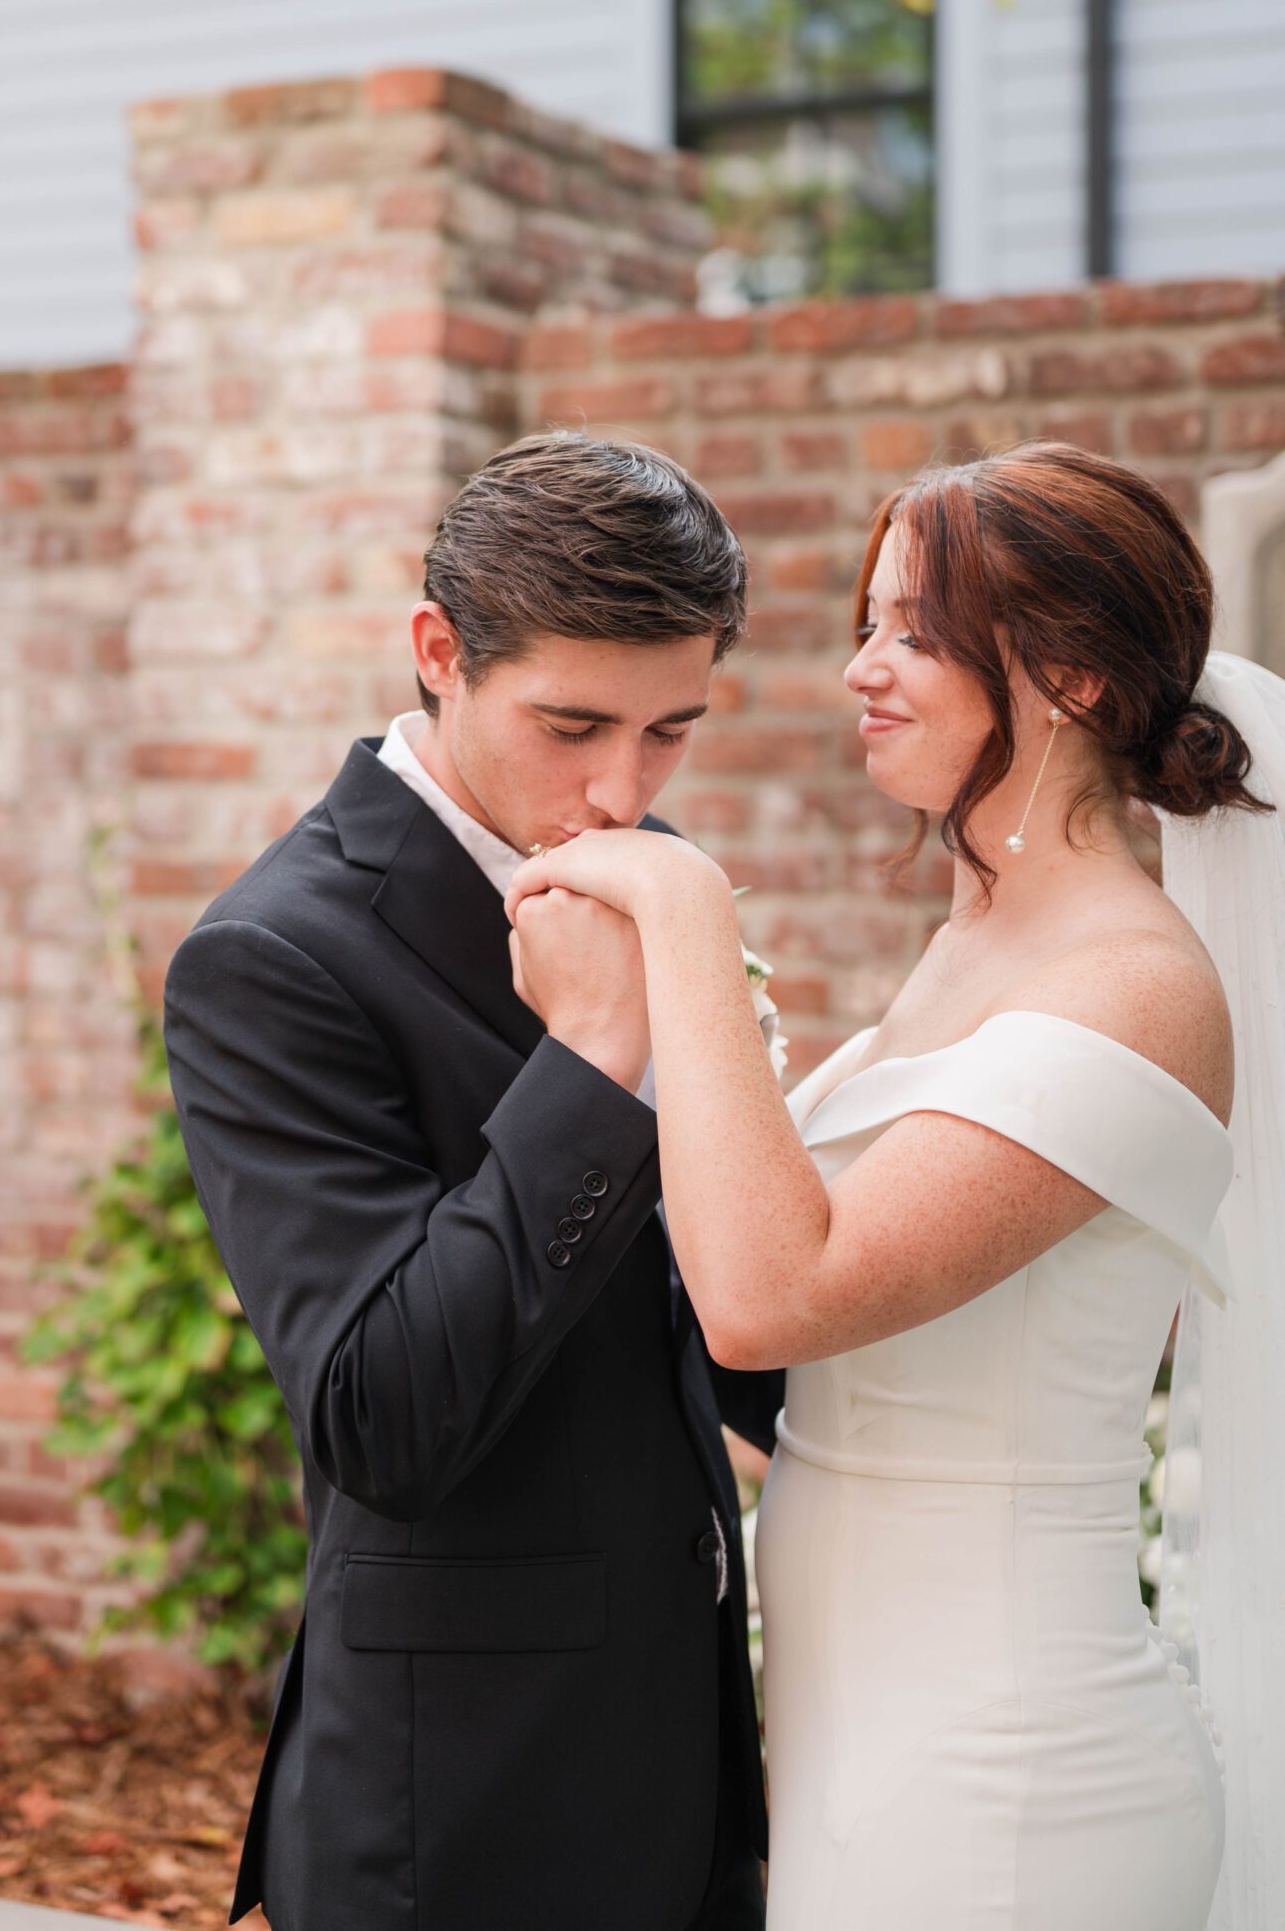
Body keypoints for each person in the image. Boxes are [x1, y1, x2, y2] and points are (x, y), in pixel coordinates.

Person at [507, 439, 1285, 1931]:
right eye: (866, 624)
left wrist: (681, 903)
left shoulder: (1135, 985)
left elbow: (770, 1299)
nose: (861, 668)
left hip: (1010, 1776)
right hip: (863, 1742)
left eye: (914, 634)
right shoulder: (978, 947)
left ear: (1068, 678)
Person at [162, 433, 781, 1931]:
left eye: (672, 731)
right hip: (464, 1807)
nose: (621, 791)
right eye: (573, 724)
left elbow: (719, 1311)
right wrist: (591, 1058)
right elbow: (383, 1413)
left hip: (691, 1758)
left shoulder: (650, 869)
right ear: (440, 652)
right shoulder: (274, 959)